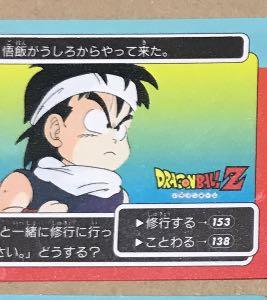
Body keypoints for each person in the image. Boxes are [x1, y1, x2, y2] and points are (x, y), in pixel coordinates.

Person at [0, 63, 157, 213]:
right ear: (55, 130)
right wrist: (38, 215)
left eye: (121, 128)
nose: (114, 138)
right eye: (97, 123)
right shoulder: (25, 182)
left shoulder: (118, 196)